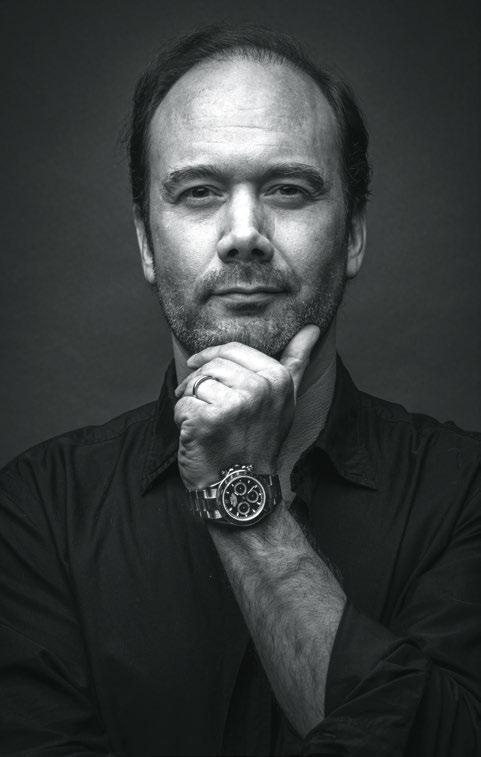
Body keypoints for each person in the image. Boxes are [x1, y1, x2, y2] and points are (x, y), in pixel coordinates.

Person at [0, 24, 480, 757]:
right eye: (199, 192)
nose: (244, 232)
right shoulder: (34, 513)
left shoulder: (464, 493)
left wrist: (242, 498)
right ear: (145, 242)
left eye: (288, 189)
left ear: (352, 232)